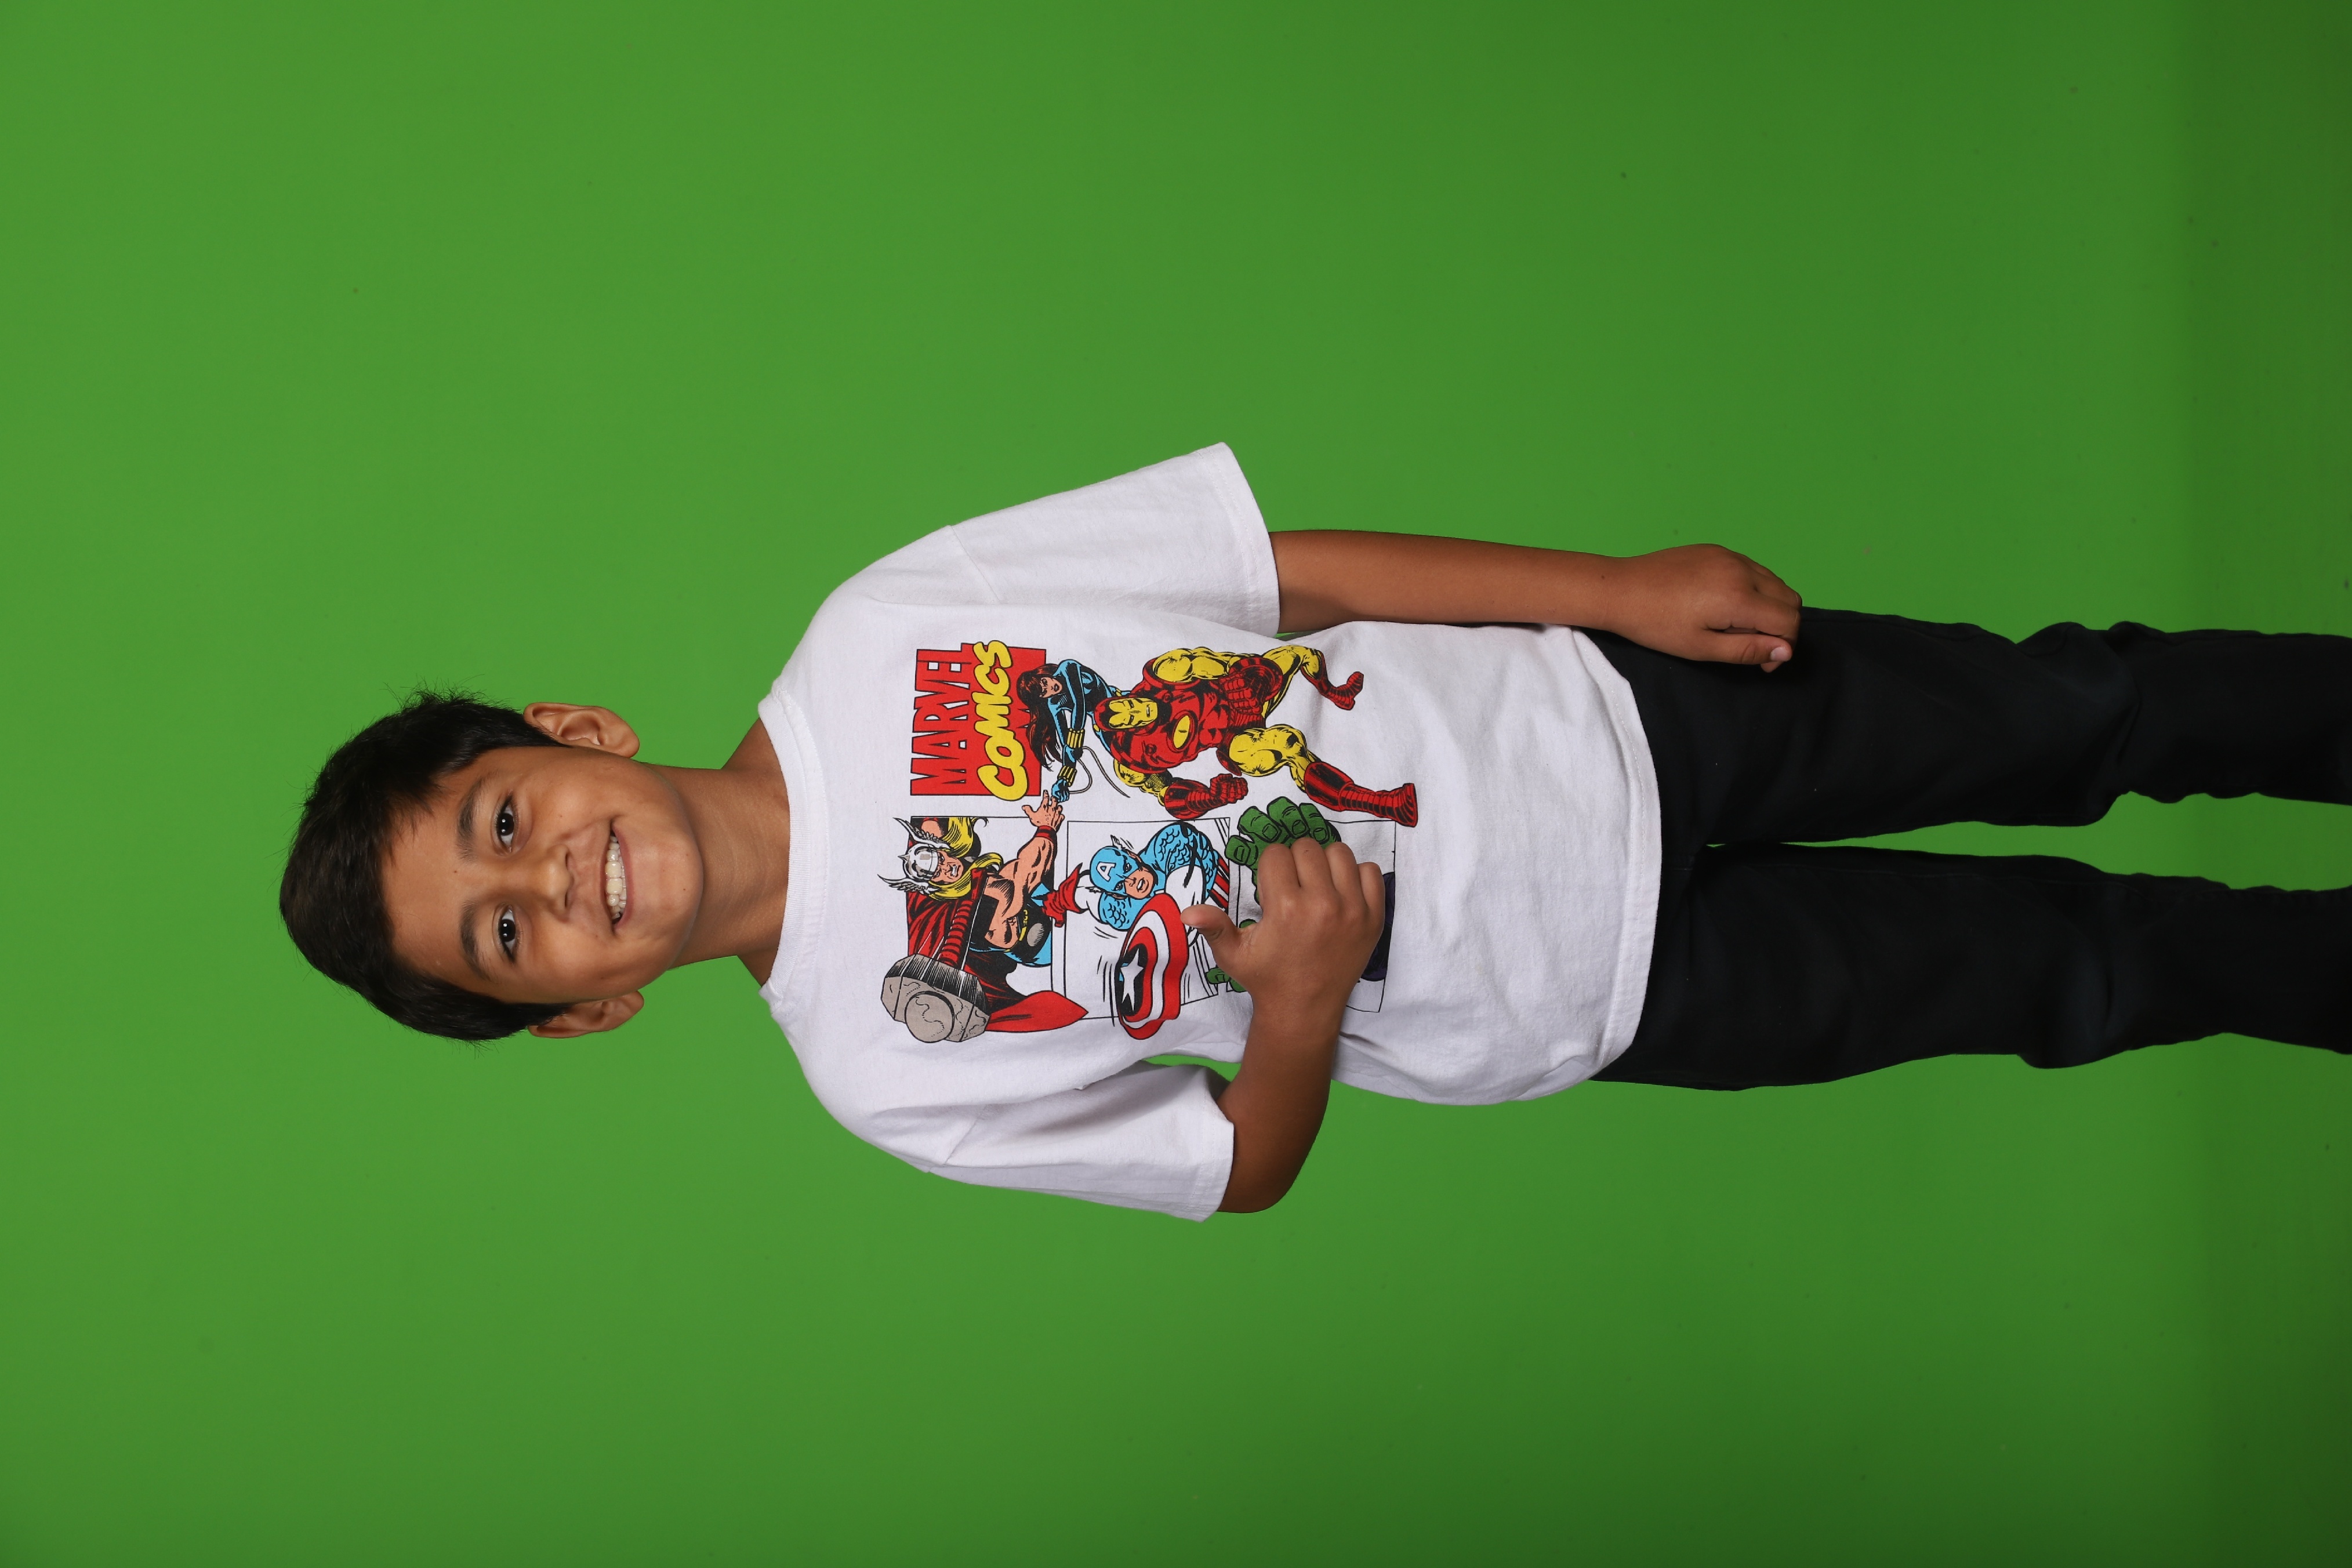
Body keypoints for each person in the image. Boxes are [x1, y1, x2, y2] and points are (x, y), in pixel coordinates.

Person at [280, 445, 2352, 1219]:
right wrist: (1296, 999)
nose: (549, 880)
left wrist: (1613, 592)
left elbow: (1269, 575)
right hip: (1598, 990)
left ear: (571, 733)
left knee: (2086, 708)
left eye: (503, 819)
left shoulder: (878, 626)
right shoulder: (879, 1073)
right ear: (585, 1013)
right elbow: (1233, 1164)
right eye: (506, 936)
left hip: (1607, 715)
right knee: (2078, 973)